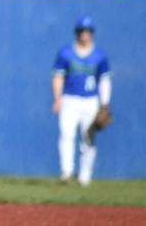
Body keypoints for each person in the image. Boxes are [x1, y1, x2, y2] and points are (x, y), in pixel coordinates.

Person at [52, 15, 112, 186]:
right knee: (66, 135)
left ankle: (85, 177)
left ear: (92, 33)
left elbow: (105, 80)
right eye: (81, 31)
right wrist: (57, 99)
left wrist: (105, 103)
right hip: (69, 99)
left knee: (88, 139)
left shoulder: (99, 56)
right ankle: (66, 172)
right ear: (76, 32)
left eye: (88, 31)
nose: (84, 34)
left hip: (90, 101)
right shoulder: (66, 53)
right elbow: (58, 77)